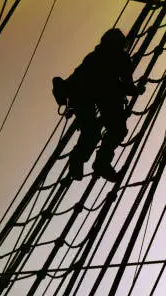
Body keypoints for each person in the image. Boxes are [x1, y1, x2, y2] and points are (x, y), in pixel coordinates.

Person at [52, 28, 144, 182]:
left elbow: (77, 78)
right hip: (97, 94)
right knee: (117, 130)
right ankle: (101, 163)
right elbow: (128, 87)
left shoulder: (94, 56)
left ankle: (78, 160)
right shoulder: (121, 58)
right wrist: (138, 90)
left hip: (81, 94)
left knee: (91, 131)